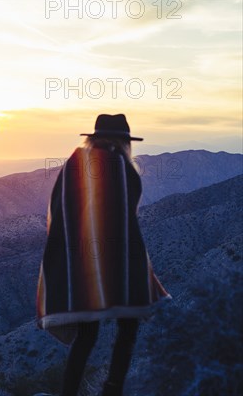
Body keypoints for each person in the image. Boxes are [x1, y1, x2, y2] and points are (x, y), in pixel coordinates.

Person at [35, 114, 171, 396]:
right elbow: (126, 214)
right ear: (124, 141)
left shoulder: (75, 164)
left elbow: (60, 212)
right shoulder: (121, 166)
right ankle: (113, 388)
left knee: (86, 335)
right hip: (119, 259)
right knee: (128, 325)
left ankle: (68, 392)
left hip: (80, 263)